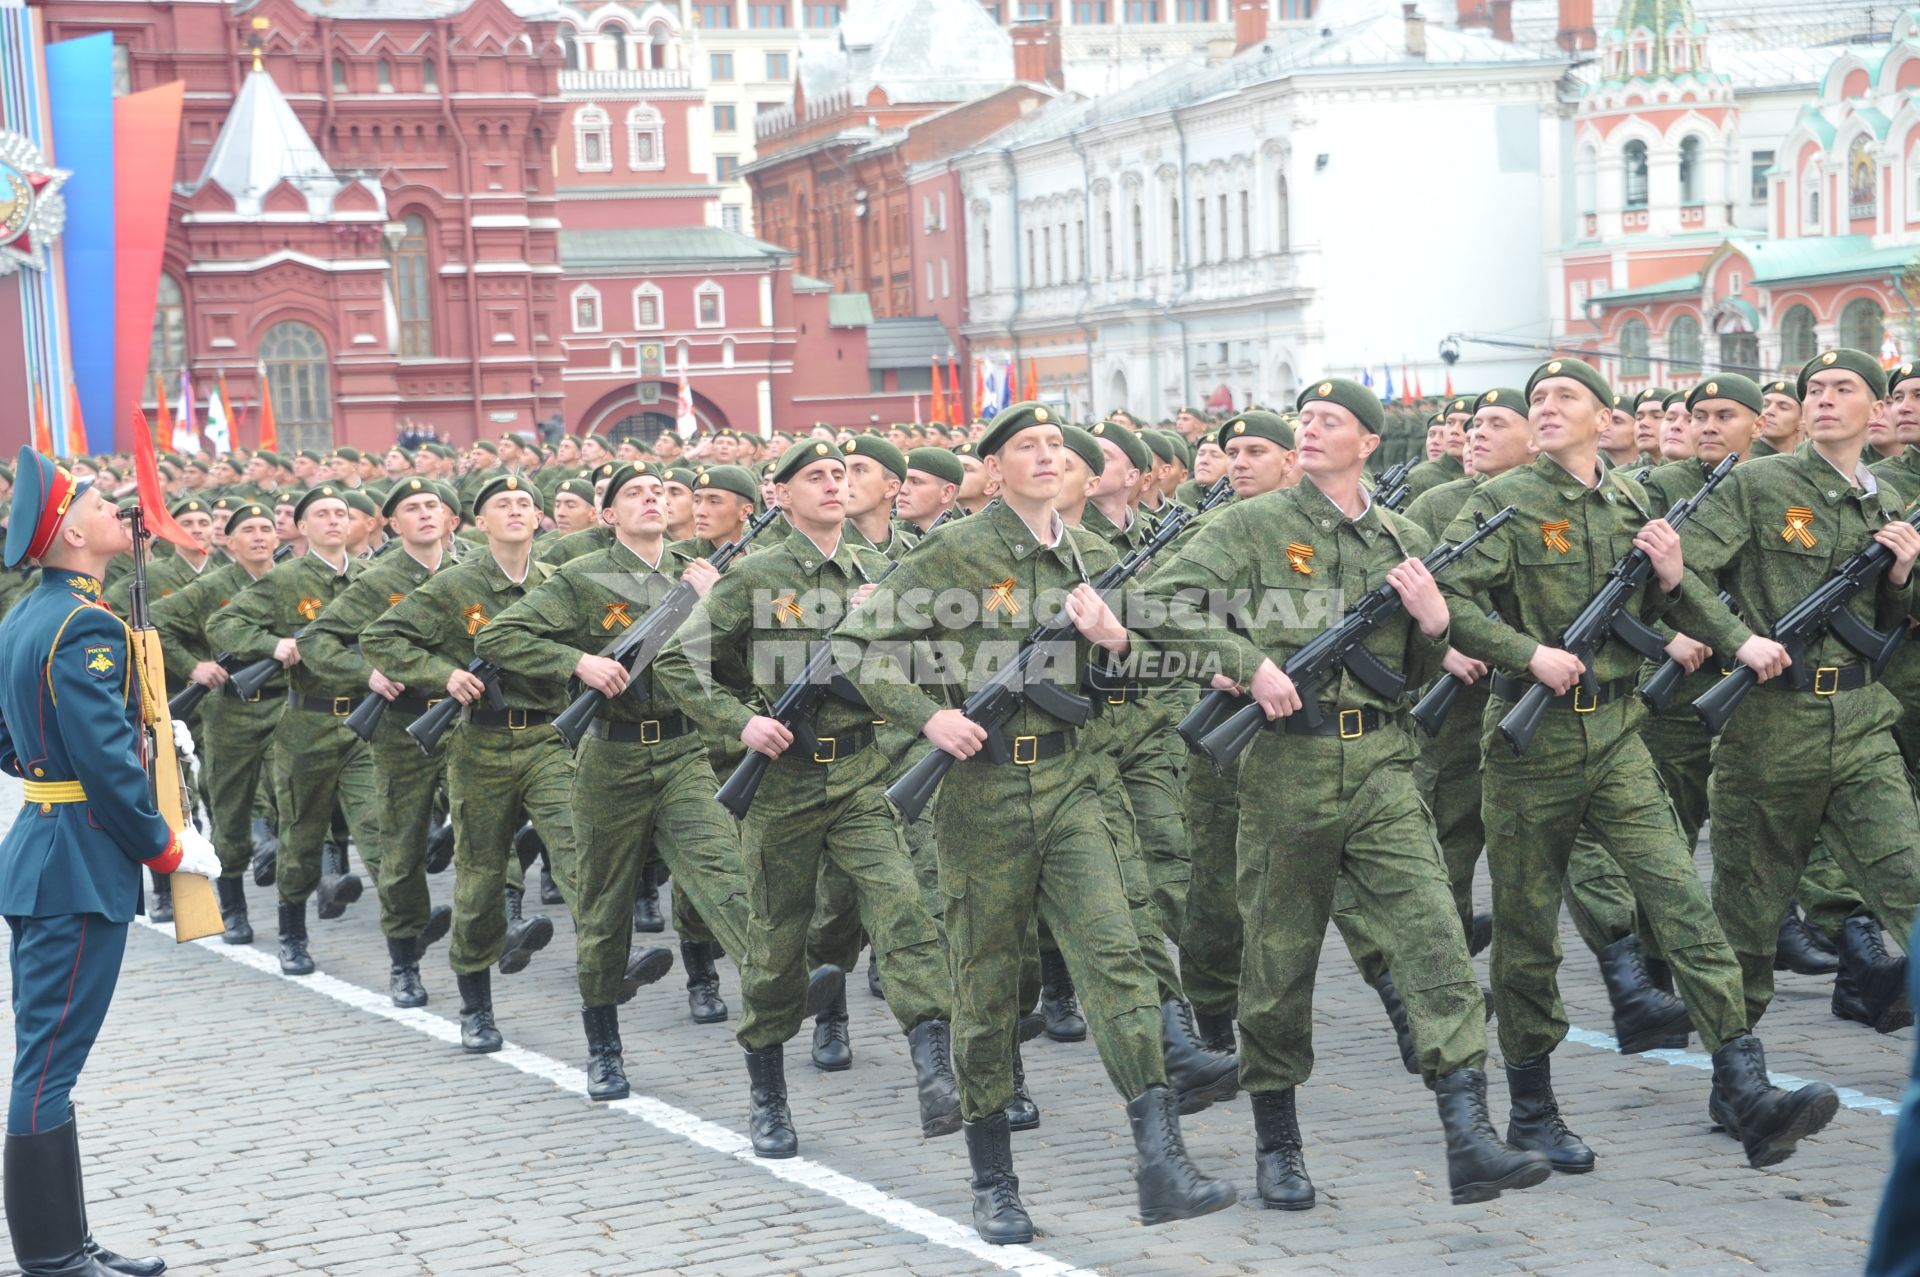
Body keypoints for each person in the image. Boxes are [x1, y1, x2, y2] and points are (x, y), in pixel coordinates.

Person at [1145, 380, 1551, 1210]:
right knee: (1280, 959)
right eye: (1307, 419)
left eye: (1331, 420)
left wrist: (1436, 623)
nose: (1313, 427)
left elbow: (1405, 673)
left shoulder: (1402, 538)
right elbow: (1163, 601)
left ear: (1370, 441)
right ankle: (1278, 1140)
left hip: (1382, 763)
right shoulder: (1253, 523)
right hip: (1285, 768)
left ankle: (1469, 1133)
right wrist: (1247, 658)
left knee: (1433, 932)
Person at [836, 404, 1235, 1244]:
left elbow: (1136, 669)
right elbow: (862, 644)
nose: (1049, 455)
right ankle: (994, 1179)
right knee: (985, 985)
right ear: (991, 468)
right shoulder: (955, 549)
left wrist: (1115, 635)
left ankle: (1162, 1161)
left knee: (1118, 958)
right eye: (1028, 446)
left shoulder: (1090, 552)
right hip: (981, 794)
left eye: (1057, 444)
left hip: (1074, 778)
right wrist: (926, 717)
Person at [1438, 356, 1840, 1172]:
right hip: (1531, 742)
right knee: (1525, 934)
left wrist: (1724, 627)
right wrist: (1528, 653)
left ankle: (1746, 1084)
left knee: (1680, 898)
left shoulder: (1634, 501)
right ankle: (1533, 1109)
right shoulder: (1500, 503)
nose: (1546, 408)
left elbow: (1672, 596)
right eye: (1537, 398)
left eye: (1565, 397)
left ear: (1603, 413)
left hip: (1617, 732)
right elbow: (1444, 600)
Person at [653, 440, 959, 1157]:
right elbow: (678, 659)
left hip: (860, 775)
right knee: (775, 948)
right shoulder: (756, 575)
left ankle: (936, 1069)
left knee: (904, 909)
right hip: (783, 785)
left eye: (843, 473)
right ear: (780, 495)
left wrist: (884, 620)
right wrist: (740, 721)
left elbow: (932, 660)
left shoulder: (878, 569)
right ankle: (768, 1093)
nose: (833, 484)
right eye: (815, 476)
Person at [0, 447, 222, 1277]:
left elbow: (14, 741)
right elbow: (102, 758)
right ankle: (53, 1258)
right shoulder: (84, 623)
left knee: (49, 1059)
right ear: (69, 531)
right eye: (95, 500)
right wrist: (164, 842)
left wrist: (55, 768)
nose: (110, 508)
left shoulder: (26, 616)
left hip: (46, 846)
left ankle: (70, 1240)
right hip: (74, 863)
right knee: (48, 1067)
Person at [1671, 349, 1920, 1039]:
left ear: (1876, 409)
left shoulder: (1891, 500)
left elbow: (1899, 615)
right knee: (1748, 922)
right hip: (1771, 728)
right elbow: (1679, 569)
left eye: (1845, 388)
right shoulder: (1759, 485)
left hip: (1862, 725)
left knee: (1909, 880)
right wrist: (1736, 639)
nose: (1825, 399)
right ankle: (1735, 1068)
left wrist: (1902, 574)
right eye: (1815, 389)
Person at [478, 463, 748, 1100]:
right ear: (608, 515)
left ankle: (772, 997)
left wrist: (711, 605)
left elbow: (740, 651)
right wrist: (578, 661)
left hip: (685, 752)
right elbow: (500, 634)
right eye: (634, 494)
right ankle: (603, 1046)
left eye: (659, 491)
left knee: (725, 876)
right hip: (610, 761)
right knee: (603, 916)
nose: (651, 499)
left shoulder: (701, 571)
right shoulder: (579, 579)